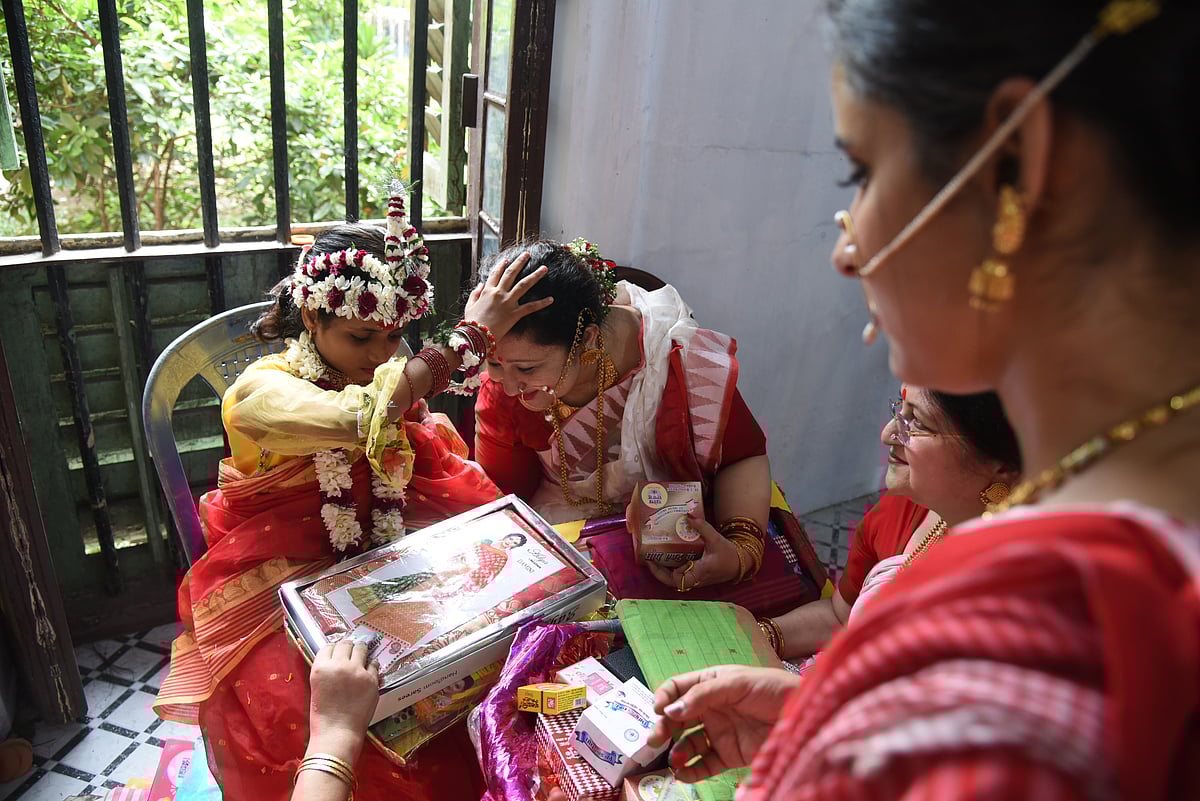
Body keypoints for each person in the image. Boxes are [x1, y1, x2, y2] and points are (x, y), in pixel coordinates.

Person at [647, 1, 1200, 799]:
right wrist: (827, 720)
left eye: (863, 173)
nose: (847, 250)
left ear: (1018, 166)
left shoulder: (1018, 659)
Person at [152, 181, 553, 801]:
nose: (379, 357)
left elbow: (405, 433)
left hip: (401, 537)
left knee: (501, 651)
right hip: (285, 572)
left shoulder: (388, 371)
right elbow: (358, 417)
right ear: (312, 316)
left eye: (392, 338)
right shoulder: (259, 393)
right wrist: (467, 339)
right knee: (302, 710)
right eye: (360, 338)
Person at [474, 239, 774, 594]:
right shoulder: (505, 389)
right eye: (494, 363)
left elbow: (741, 456)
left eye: (526, 368)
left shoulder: (674, 358)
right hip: (562, 535)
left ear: (587, 340)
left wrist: (740, 550)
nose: (509, 387)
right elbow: (504, 500)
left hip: (677, 534)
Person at [763, 385, 1019, 660]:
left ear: (1000, 463)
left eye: (918, 423)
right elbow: (840, 617)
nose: (888, 434)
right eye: (899, 409)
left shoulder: (1024, 572)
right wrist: (757, 637)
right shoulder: (900, 509)